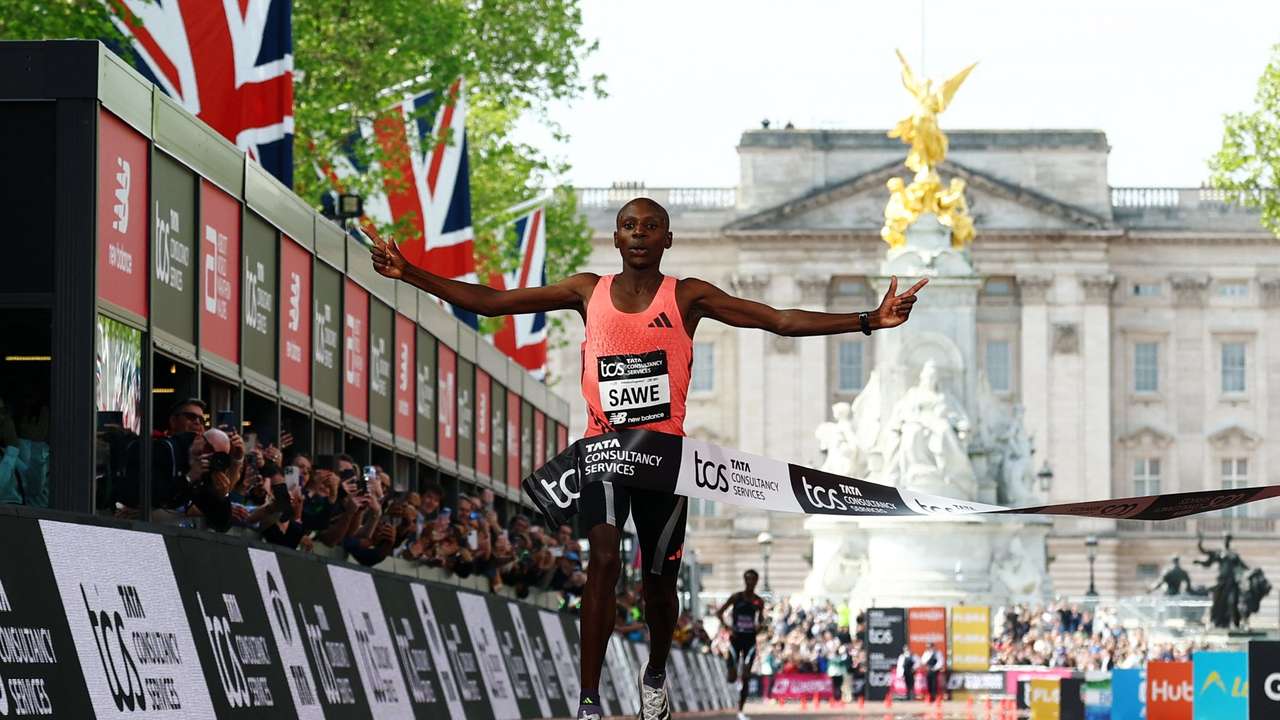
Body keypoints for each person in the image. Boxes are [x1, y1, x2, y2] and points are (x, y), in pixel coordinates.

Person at [371, 197, 927, 720]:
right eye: (630, 226)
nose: (639, 233)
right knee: (605, 562)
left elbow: (775, 320)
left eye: (650, 226)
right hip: (607, 450)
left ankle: (655, 672)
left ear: (667, 238)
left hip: (665, 459)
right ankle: (588, 699)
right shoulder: (586, 291)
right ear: (616, 238)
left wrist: (867, 321)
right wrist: (410, 272)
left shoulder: (687, 297)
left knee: (661, 583)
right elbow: (493, 303)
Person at [717, 570, 766, 720]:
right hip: (736, 638)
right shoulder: (736, 597)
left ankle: (740, 710)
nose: (750, 582)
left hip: (750, 640)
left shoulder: (759, 601)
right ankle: (729, 671)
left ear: (756, 581)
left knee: (746, 676)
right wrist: (728, 627)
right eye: (748, 579)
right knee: (732, 677)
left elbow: (762, 620)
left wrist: (760, 627)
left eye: (753, 579)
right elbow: (720, 612)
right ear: (744, 580)